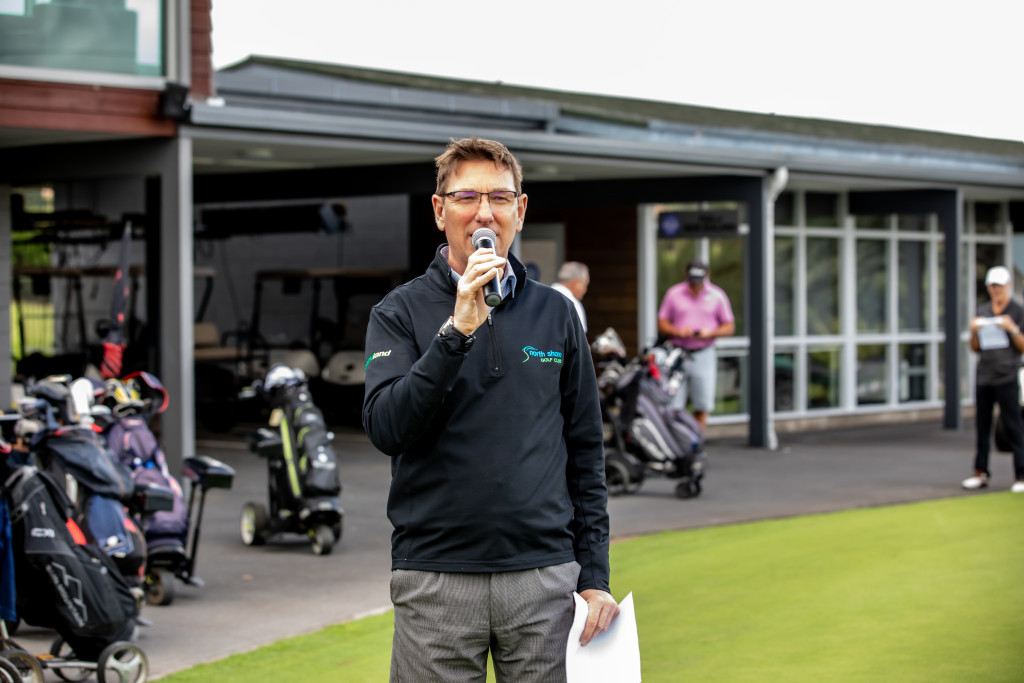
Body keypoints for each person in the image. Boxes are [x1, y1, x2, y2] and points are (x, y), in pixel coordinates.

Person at [362, 137, 619, 682]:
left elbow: (585, 450)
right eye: (467, 197)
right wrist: (456, 332)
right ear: (440, 211)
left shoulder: (556, 313)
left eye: (500, 197)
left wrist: (594, 575)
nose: (484, 212)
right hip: (436, 578)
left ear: (519, 211)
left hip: (544, 579)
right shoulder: (397, 312)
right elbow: (387, 427)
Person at [962, 265, 1024, 493]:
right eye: (992, 286)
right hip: (984, 377)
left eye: (999, 286)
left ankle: (1021, 475)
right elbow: (975, 348)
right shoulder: (983, 311)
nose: (996, 290)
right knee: (982, 427)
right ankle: (980, 472)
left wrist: (1012, 329)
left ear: (1007, 286)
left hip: (1007, 376)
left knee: (1014, 425)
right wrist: (974, 331)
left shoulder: (1017, 311)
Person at [657, 258, 735, 431]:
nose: (695, 284)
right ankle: (676, 441)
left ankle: (696, 442)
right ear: (686, 273)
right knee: (673, 405)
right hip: (677, 354)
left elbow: (729, 327)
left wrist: (710, 333)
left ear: (707, 274)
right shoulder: (674, 293)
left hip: (703, 354)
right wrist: (677, 331)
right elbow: (661, 323)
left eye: (699, 279)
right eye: (692, 279)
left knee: (702, 405)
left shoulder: (717, 295)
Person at [551, 261, 590, 333]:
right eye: (585, 285)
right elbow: (579, 338)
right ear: (576, 282)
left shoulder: (544, 295)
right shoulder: (573, 304)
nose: (585, 290)